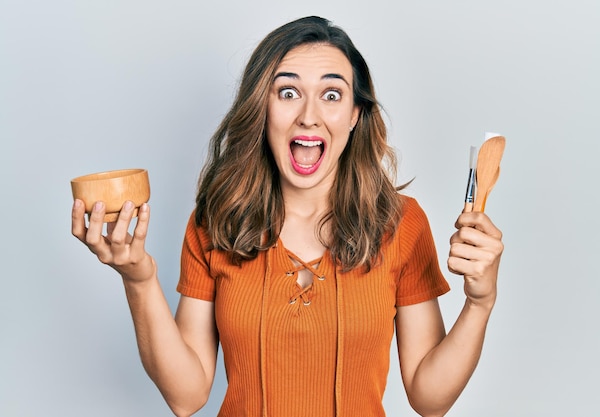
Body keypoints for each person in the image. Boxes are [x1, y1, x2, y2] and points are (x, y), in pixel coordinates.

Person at [71, 16, 503, 417]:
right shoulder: (216, 222)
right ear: (262, 109)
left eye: (331, 95)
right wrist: (138, 278)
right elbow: (186, 397)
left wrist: (480, 302)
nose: (309, 116)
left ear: (355, 115)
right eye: (288, 92)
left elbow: (429, 398)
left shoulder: (401, 223)